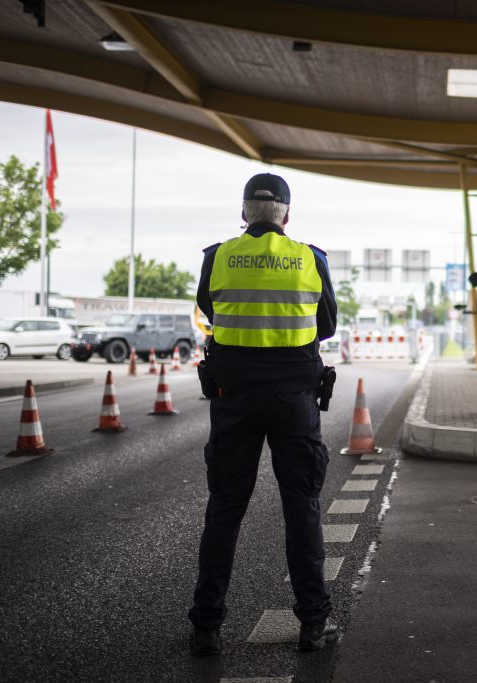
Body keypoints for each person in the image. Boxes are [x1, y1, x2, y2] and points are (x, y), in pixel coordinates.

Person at [188, 173, 338, 655]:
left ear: (244, 213)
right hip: (294, 400)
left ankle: (206, 627)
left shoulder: (218, 257)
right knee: (302, 507)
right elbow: (328, 324)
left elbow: (209, 310)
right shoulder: (311, 259)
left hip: (233, 399)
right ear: (286, 215)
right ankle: (313, 624)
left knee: (225, 509)